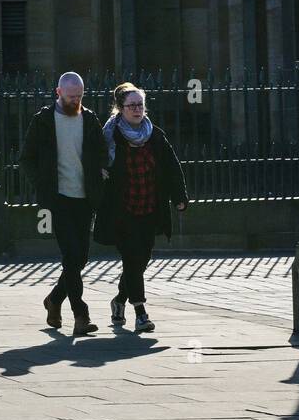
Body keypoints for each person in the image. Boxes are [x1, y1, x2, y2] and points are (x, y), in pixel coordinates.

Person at [93, 82, 188, 333]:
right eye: (131, 106)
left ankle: (119, 300)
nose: (137, 110)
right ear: (120, 109)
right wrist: (100, 168)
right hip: (122, 210)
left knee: (141, 259)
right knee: (131, 257)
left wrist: (180, 196)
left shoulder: (154, 134)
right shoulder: (110, 136)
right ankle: (140, 312)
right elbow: (96, 160)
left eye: (140, 105)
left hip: (149, 207)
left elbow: (171, 166)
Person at [18, 71, 105, 336]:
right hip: (58, 199)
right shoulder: (43, 121)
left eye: (79, 96)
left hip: (85, 199)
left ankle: (54, 300)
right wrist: (42, 185)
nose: (75, 101)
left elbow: (101, 152)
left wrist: (101, 170)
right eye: (70, 97)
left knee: (80, 258)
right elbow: (26, 159)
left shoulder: (89, 120)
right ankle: (80, 315)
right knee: (70, 255)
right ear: (58, 93)